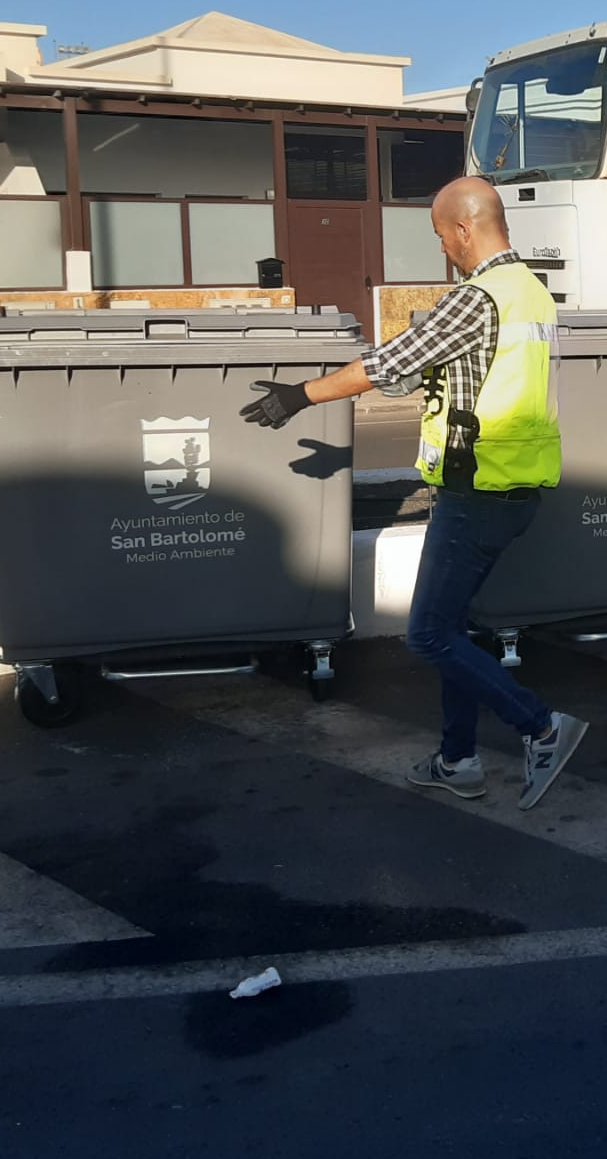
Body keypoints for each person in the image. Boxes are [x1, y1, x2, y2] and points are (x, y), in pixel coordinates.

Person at [239, 176, 588, 811]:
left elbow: (386, 363)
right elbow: (465, 371)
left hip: (477, 492)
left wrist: (298, 396)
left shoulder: (476, 298)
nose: (443, 249)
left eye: (440, 236)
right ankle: (458, 760)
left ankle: (541, 726)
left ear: (463, 229)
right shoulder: (532, 292)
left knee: (427, 634)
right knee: (453, 627)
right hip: (516, 487)